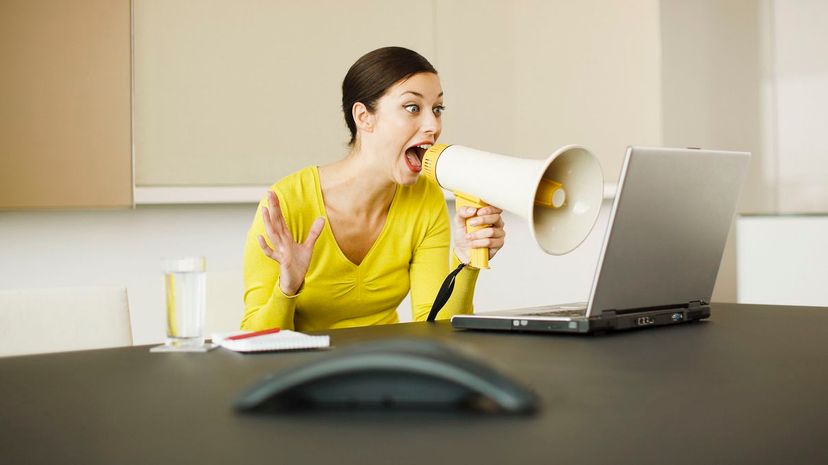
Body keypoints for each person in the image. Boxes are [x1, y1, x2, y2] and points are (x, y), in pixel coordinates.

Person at [241, 46, 506, 331]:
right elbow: (255, 340)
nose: (433, 125)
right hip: (306, 371)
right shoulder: (287, 203)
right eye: (412, 108)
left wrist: (466, 262)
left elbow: (436, 329)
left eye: (437, 109)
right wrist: (287, 288)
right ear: (364, 117)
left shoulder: (425, 198)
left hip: (383, 367)